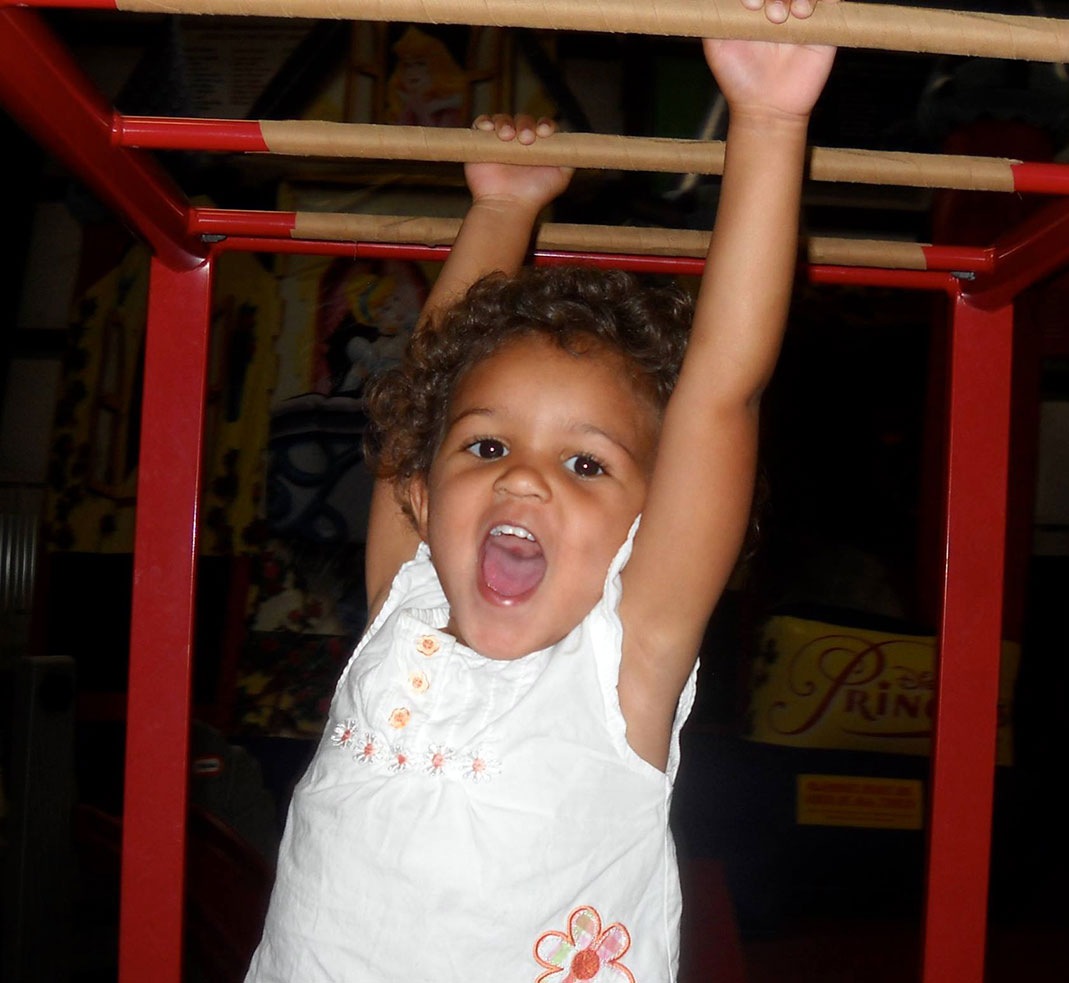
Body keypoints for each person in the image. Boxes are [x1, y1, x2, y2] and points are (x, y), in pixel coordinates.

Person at [246, 1, 837, 979]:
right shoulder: (409, 603)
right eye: (485, 448)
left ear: (646, 528)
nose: (522, 472)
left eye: (585, 462)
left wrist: (767, 123)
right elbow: (418, 404)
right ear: (428, 498)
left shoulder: (621, 663)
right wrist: (501, 208)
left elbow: (720, 392)